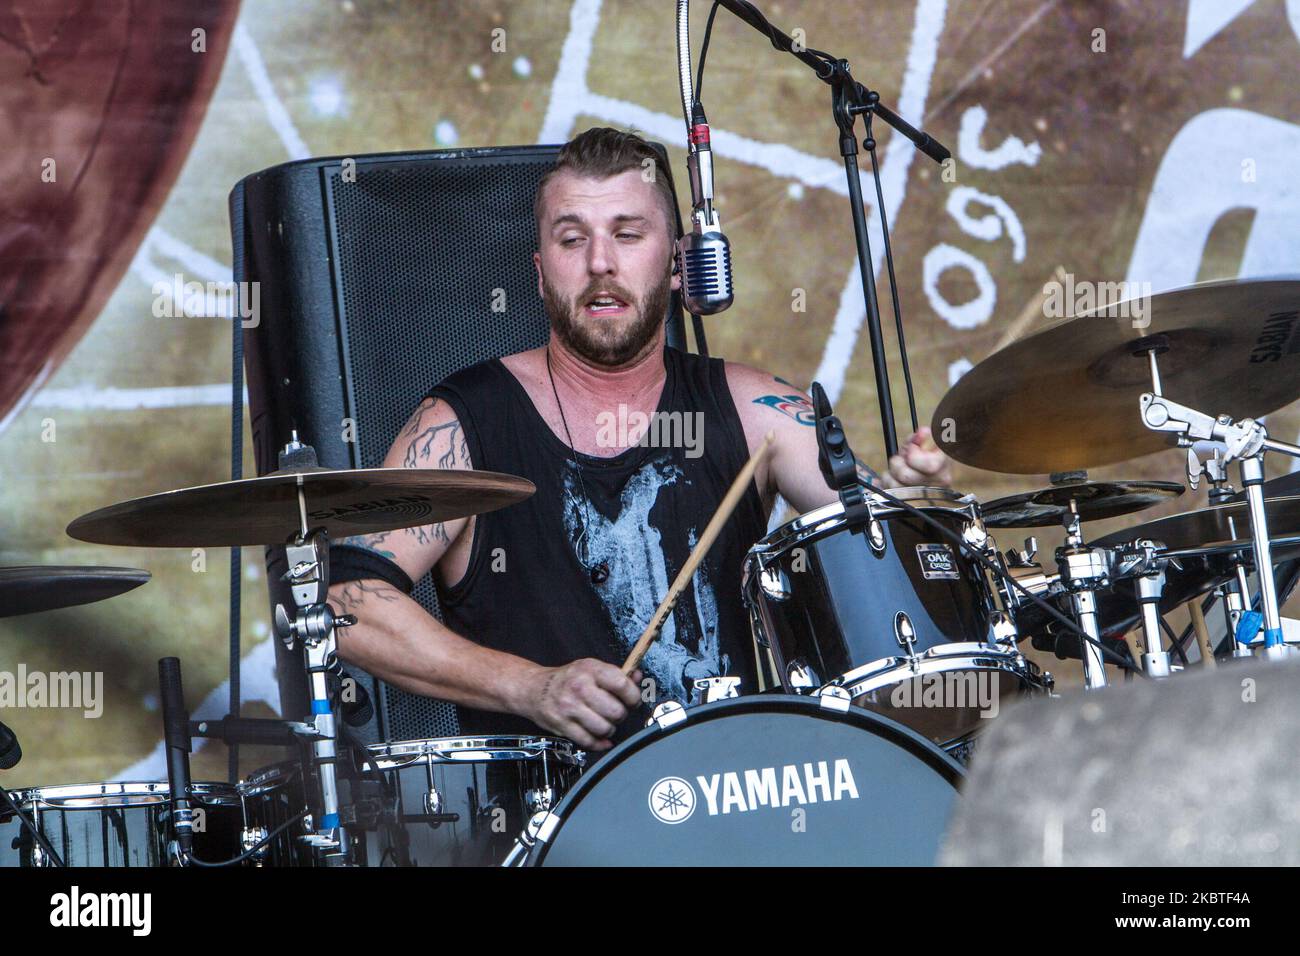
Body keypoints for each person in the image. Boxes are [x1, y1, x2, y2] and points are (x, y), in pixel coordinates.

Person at [329, 127, 951, 751]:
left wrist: (911, 504)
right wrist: (529, 687)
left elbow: (890, 548)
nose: (600, 261)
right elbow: (348, 605)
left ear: (679, 265)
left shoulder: (755, 408)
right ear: (540, 273)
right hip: (551, 835)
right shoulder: (461, 423)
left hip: (737, 804)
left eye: (627, 234)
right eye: (572, 239)